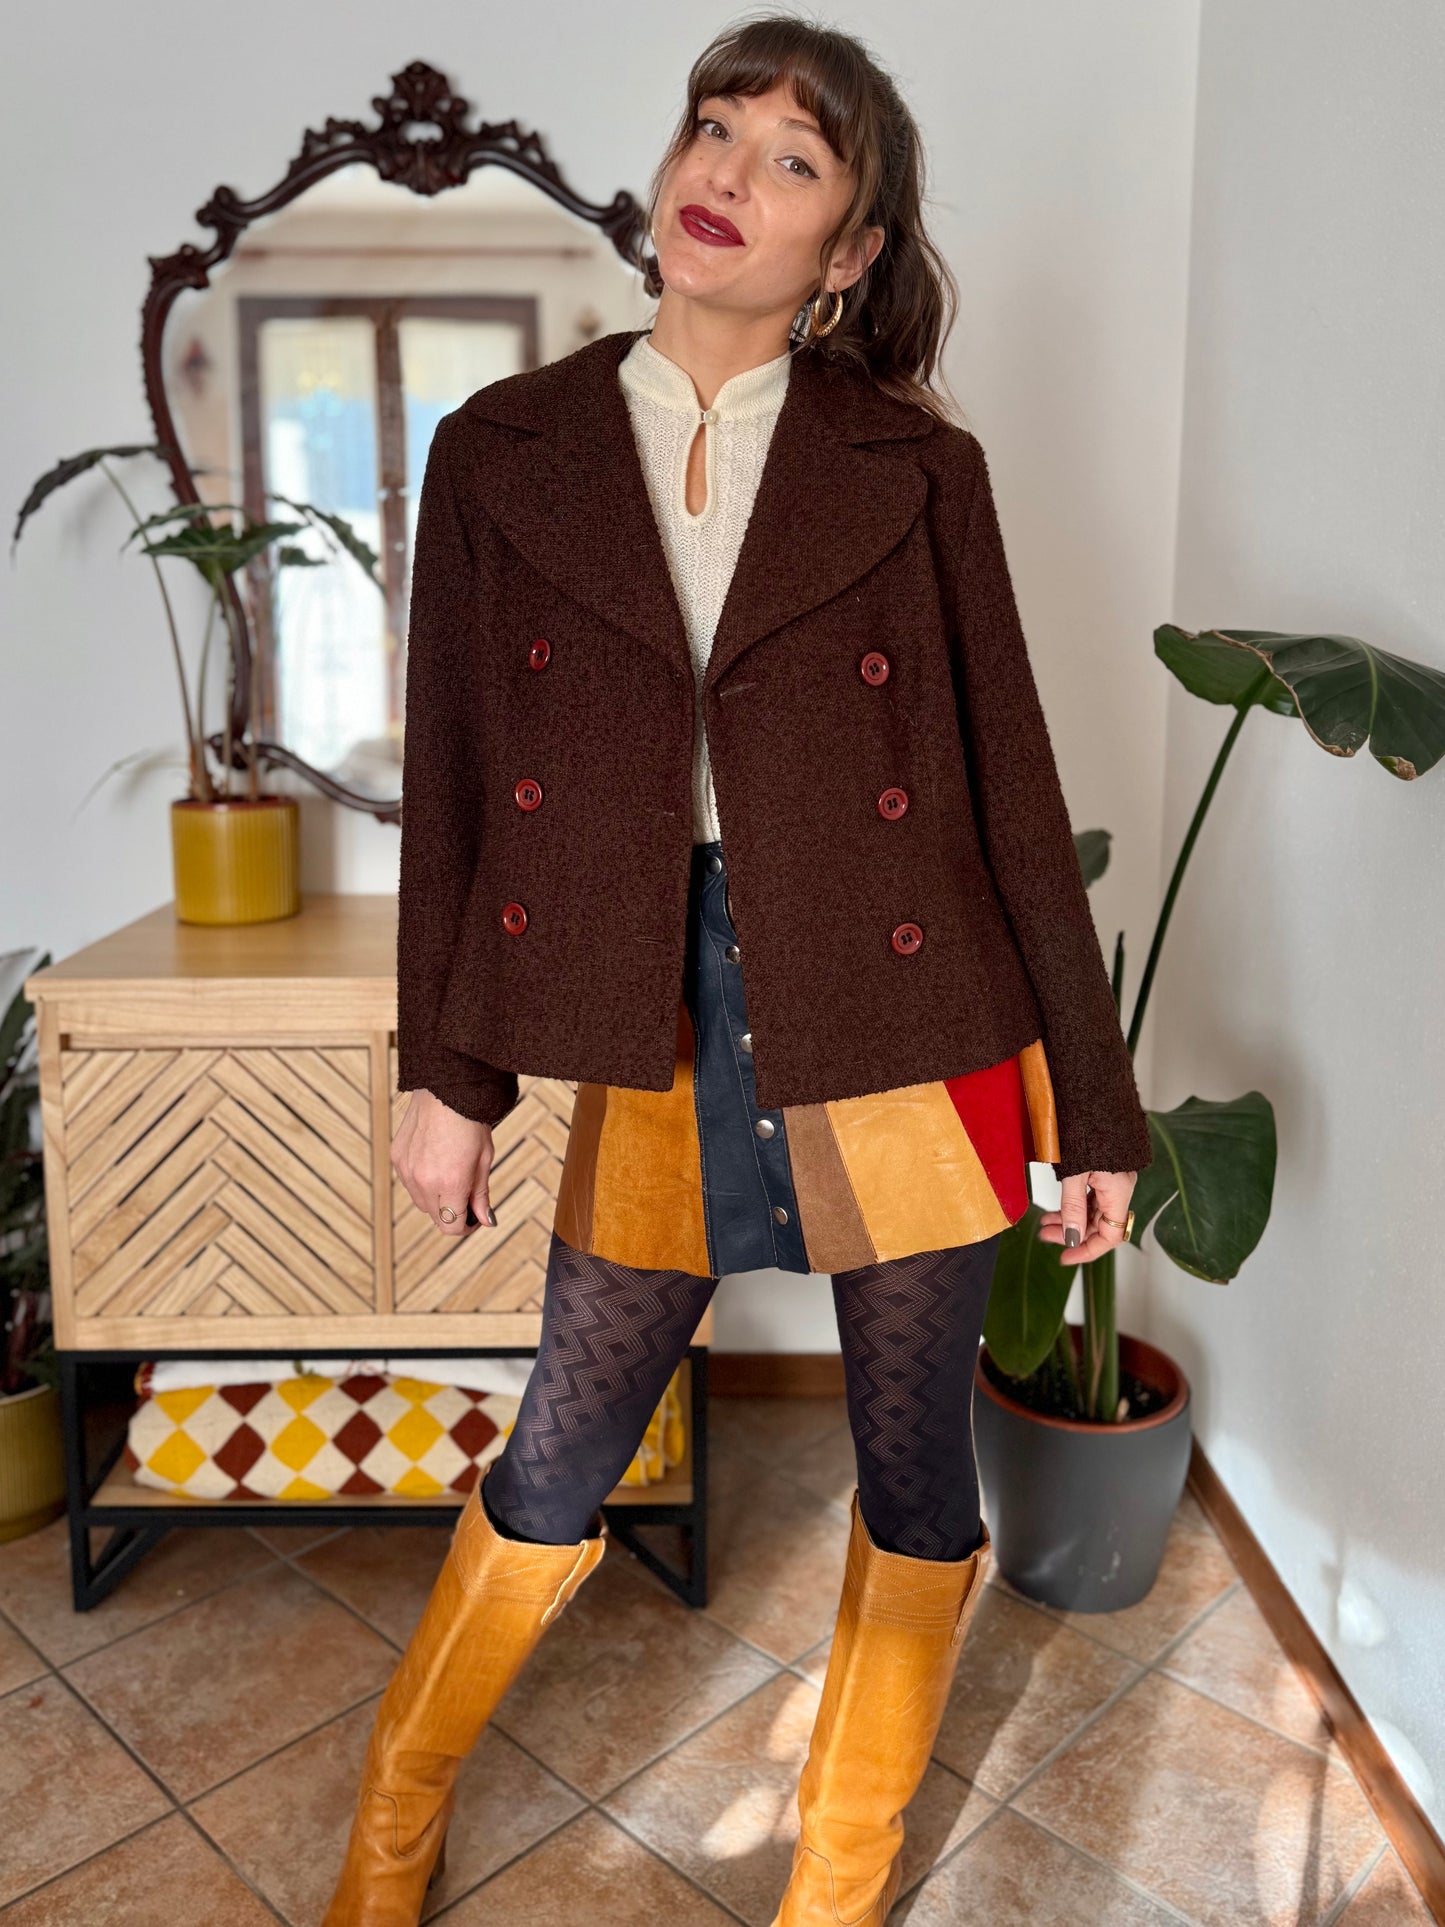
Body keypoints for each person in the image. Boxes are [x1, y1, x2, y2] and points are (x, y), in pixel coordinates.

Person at [322, 16, 1151, 1926]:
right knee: (562, 1450)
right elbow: (450, 780)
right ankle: (390, 1821)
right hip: (641, 999)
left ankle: (837, 1885)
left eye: (794, 159)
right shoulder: (504, 446)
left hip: (900, 1006)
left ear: (847, 249)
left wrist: (1088, 1103)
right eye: (718, 128)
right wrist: (445, 1073)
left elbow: (1012, 793)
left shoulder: (912, 467)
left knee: (913, 1467)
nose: (730, 174)